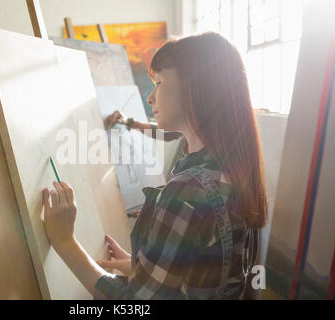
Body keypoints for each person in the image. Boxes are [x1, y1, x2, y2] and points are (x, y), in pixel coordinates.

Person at [42, 32, 267, 299]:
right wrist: (144, 267)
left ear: (194, 89)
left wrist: (64, 241)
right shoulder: (232, 168)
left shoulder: (189, 191)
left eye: (159, 83)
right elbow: (206, 268)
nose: (150, 98)